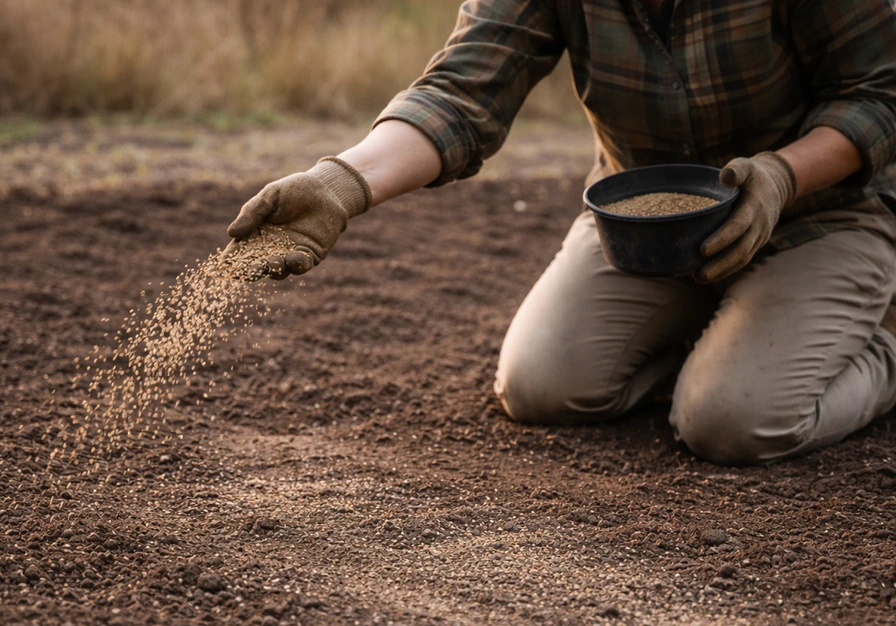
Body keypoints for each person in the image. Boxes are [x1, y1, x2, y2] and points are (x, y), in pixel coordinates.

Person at [226, 0, 896, 466]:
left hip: (821, 215)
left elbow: (880, 94)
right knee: (542, 386)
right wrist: (344, 183)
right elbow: (463, 93)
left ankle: (883, 346)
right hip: (645, 227)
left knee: (731, 422)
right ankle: (730, 337)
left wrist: (783, 175)